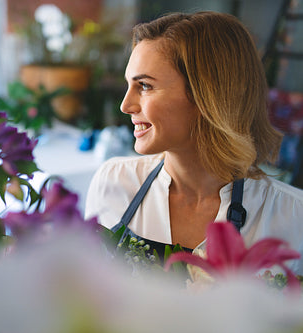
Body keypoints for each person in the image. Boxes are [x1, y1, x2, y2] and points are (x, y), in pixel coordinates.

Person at [85, 11, 303, 274]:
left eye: (144, 86)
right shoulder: (113, 182)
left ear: (207, 95)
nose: (125, 105)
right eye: (129, 85)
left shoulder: (292, 214)